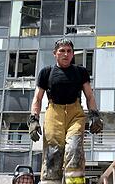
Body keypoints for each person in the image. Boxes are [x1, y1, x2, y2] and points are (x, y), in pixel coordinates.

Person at [29, 39, 103, 184]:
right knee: (53, 153)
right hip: (53, 114)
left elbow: (89, 95)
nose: (66, 54)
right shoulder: (46, 72)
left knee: (74, 149)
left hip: (75, 114)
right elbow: (37, 98)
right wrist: (34, 119)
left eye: (69, 51)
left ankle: (74, 182)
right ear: (55, 53)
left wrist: (94, 115)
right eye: (62, 51)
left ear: (73, 54)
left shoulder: (80, 72)